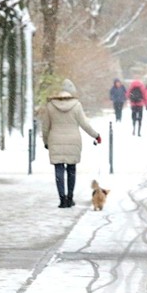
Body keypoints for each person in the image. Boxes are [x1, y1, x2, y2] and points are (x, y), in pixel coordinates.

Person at [41, 79, 101, 208]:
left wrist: (46, 142)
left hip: (55, 140)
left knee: (59, 170)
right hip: (73, 141)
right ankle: (70, 198)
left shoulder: (50, 105)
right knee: (71, 170)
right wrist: (96, 135)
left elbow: (45, 127)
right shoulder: (76, 105)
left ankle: (62, 199)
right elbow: (85, 124)